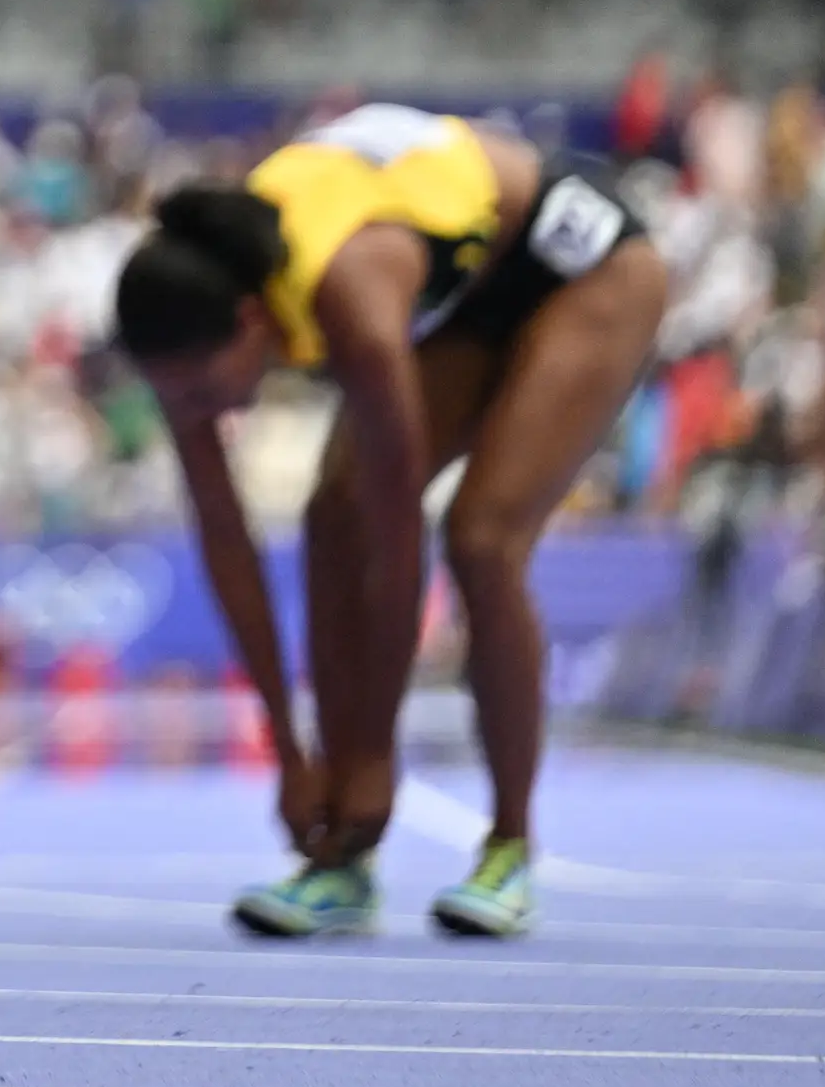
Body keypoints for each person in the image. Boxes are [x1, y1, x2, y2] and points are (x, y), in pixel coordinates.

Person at [112, 106, 668, 942]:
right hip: (466, 284)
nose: (195, 411)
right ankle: (343, 862)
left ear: (253, 324)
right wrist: (291, 756)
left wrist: (372, 755)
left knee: (481, 540)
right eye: (174, 398)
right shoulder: (186, 317)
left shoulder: (351, 291)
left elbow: (398, 536)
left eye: (201, 391)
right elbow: (227, 542)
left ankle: (509, 848)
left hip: (584, 268)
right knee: (331, 515)